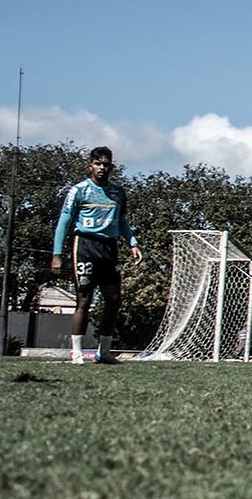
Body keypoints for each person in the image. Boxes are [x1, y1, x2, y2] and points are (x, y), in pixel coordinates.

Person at [50, 147, 142, 365]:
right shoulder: (79, 191)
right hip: (85, 246)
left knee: (114, 299)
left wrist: (133, 243)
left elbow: (122, 222)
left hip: (109, 247)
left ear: (112, 167)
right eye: (98, 163)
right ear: (90, 165)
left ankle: (104, 352)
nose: (102, 168)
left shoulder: (118, 193)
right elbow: (64, 222)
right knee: (84, 299)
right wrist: (57, 254)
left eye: (106, 164)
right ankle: (77, 352)